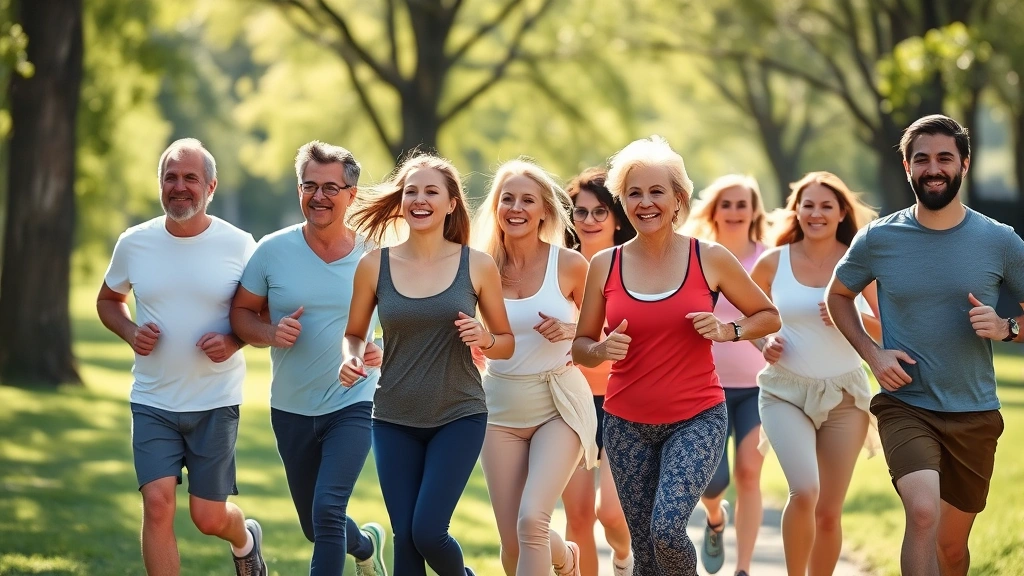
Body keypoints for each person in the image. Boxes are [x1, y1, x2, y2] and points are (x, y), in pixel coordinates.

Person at [572, 136, 781, 575]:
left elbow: (768, 315)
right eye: (633, 193)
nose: (645, 203)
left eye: (656, 192)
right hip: (625, 423)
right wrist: (600, 349)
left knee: (666, 529)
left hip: (696, 417)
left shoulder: (710, 258)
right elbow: (582, 346)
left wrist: (729, 331)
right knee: (646, 549)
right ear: (622, 201)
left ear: (678, 199)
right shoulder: (604, 265)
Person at [827, 114, 1024, 576]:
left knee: (952, 549)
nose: (933, 168)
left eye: (944, 158)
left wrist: (1007, 328)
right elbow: (837, 297)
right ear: (907, 167)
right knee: (922, 514)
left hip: (973, 411)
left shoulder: (999, 240)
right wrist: (873, 354)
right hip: (905, 404)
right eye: (922, 159)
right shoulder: (879, 238)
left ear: (965, 164)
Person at [96, 138, 266, 576]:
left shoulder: (240, 244)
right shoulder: (135, 242)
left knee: (208, 517)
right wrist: (132, 332)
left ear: (211, 185)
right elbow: (109, 300)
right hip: (153, 397)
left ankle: (245, 539)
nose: (179, 186)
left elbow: (262, 313)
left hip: (215, 398)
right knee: (156, 505)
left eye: (190, 177)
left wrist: (234, 341)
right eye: (170, 177)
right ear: (159, 184)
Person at [340, 153, 514, 576]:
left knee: (428, 531)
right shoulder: (373, 265)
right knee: (405, 539)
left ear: (451, 203)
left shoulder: (476, 264)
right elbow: (354, 333)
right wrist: (351, 358)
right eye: (411, 191)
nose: (419, 199)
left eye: (431, 191)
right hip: (394, 418)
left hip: (458, 414)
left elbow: (505, 343)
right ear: (401, 201)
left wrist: (485, 339)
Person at [229, 141, 388, 576]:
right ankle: (367, 545)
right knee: (315, 525)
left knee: (328, 508)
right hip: (291, 408)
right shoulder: (271, 251)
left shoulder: (374, 255)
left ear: (352, 194)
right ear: (299, 188)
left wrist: (381, 350)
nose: (319, 196)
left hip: (352, 401)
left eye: (331, 187)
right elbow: (241, 314)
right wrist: (270, 333)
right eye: (309, 185)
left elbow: (405, 319)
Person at [748, 171, 880, 576]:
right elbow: (749, 315)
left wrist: (851, 314)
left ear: (841, 212)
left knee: (828, 512)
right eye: (808, 205)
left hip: (845, 396)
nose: (816, 213)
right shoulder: (774, 261)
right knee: (804, 491)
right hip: (784, 392)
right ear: (797, 210)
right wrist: (761, 344)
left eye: (826, 206)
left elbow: (890, 326)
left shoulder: (859, 262)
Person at [471, 159, 596, 576]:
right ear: (496, 207)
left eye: (528, 200)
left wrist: (572, 328)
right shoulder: (477, 265)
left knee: (531, 522)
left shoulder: (571, 265)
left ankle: (562, 555)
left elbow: (609, 331)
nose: (517, 208)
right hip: (499, 409)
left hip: (557, 404)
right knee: (513, 540)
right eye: (508, 198)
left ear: (544, 210)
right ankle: (567, 558)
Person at [681, 175, 769, 576]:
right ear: (713, 211)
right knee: (712, 482)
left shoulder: (767, 258)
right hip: (705, 386)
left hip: (757, 387)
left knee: (749, 472)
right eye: (727, 204)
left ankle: (744, 569)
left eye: (742, 204)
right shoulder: (696, 257)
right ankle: (716, 517)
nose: (735, 212)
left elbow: (773, 319)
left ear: (754, 212)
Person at [560, 168, 636, 576]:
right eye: (580, 212)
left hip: (622, 401)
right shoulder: (559, 265)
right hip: (568, 399)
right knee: (577, 518)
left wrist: (577, 332)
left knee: (611, 514)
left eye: (599, 212)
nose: (588, 221)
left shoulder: (630, 266)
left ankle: (624, 559)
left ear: (618, 218)